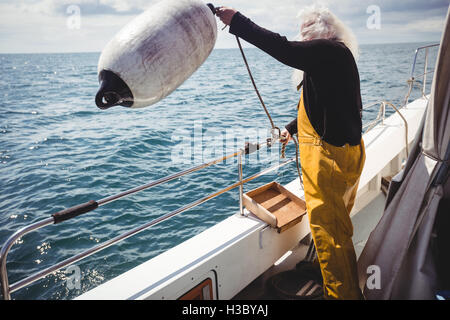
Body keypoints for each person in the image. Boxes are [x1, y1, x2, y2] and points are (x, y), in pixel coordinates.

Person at [216, 5, 366, 300]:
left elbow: (283, 49)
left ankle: (343, 295)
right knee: (335, 227)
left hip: (329, 161)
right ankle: (324, 272)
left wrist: (238, 22)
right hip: (345, 154)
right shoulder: (333, 58)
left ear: (324, 32)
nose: (303, 37)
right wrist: (290, 128)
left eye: (307, 30)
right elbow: (325, 105)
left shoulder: (328, 51)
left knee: (332, 235)